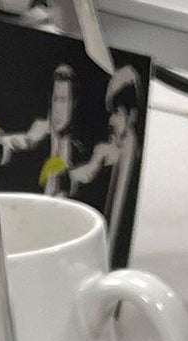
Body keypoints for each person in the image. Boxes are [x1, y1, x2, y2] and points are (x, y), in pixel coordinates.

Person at [0, 62, 86, 197]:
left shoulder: (78, 150)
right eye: (56, 99)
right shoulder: (41, 130)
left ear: (73, 104)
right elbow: (25, 140)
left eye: (64, 100)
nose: (59, 109)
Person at [66, 64, 143, 249]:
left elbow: (91, 170)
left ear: (131, 115)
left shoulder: (124, 148)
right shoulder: (119, 147)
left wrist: (69, 175)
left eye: (117, 113)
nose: (111, 121)